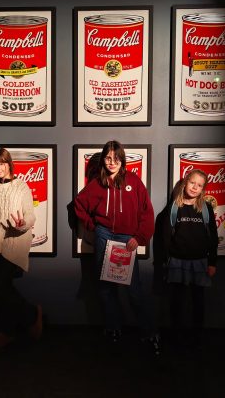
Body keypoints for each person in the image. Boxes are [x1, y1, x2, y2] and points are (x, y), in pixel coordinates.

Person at [74, 140, 160, 353]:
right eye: (108, 158)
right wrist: (93, 227)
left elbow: (147, 212)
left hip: (126, 239)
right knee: (105, 288)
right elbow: (78, 204)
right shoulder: (97, 183)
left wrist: (139, 237)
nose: (112, 162)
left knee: (134, 290)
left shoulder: (134, 181)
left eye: (116, 158)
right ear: (103, 160)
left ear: (122, 160)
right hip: (104, 237)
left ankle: (148, 332)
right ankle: (113, 328)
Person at [0, 148, 43, 348]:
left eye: (1, 164)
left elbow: (30, 215)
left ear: (9, 164)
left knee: (0, 286)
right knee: (1, 289)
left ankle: (26, 318)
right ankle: (13, 328)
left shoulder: (21, 186)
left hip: (14, 243)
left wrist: (22, 224)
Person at [160, 169, 218, 349]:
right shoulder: (174, 207)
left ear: (203, 189)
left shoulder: (206, 208)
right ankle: (176, 336)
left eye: (199, 185)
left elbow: (213, 238)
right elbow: (165, 237)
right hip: (177, 261)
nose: (195, 187)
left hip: (200, 262)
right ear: (185, 182)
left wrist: (212, 262)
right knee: (177, 301)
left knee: (198, 302)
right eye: (192, 183)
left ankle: (197, 336)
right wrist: (164, 261)